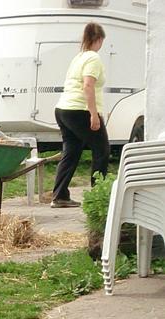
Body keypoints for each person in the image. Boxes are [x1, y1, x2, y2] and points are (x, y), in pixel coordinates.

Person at [51, 22, 110, 208]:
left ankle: (60, 196)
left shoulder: (79, 57)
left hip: (63, 109)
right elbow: (88, 85)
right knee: (102, 150)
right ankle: (98, 197)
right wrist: (93, 114)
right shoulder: (93, 58)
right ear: (98, 39)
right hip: (79, 110)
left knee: (71, 151)